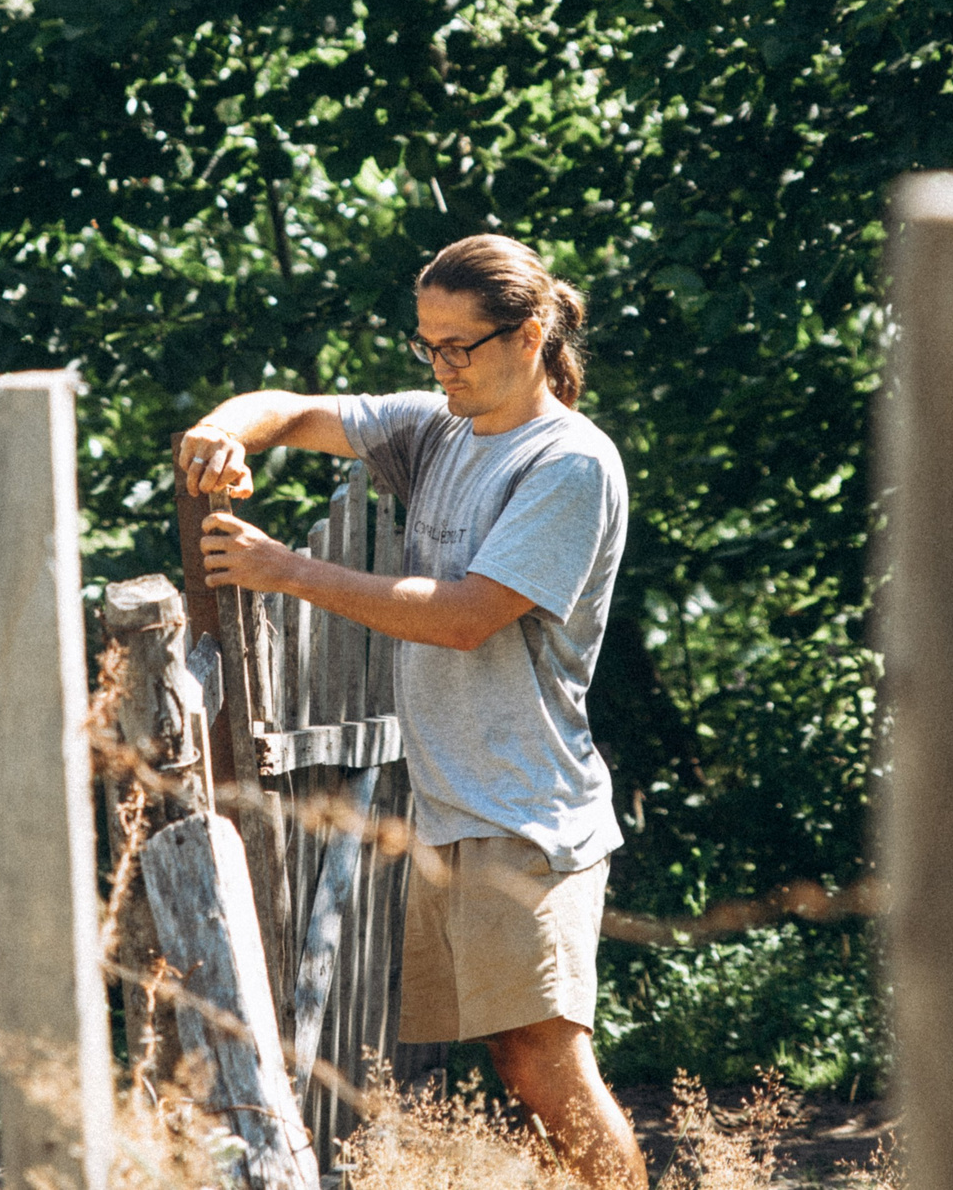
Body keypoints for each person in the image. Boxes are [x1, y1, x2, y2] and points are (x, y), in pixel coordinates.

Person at [178, 233, 647, 1189]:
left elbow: (472, 616)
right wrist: (227, 426)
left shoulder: (568, 463)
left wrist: (287, 570)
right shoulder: (438, 426)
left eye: (460, 345)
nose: (441, 366)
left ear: (531, 333)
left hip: (529, 812)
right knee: (518, 1064)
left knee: (551, 1064)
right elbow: (298, 409)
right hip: (456, 804)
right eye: (426, 344)